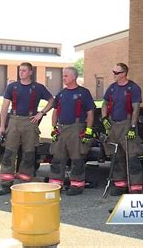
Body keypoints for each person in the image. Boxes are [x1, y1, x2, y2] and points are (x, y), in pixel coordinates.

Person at [0, 62, 54, 196]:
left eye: (24, 70)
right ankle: (6, 184)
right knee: (9, 153)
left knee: (28, 154)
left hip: (30, 122)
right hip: (14, 121)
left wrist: (41, 113)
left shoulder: (38, 88)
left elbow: (52, 101)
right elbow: (4, 107)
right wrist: (2, 126)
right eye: (20, 70)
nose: (20, 73)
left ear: (30, 72)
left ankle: (25, 183)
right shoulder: (12, 87)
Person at [49, 67, 95, 196]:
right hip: (61, 129)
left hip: (76, 128)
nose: (63, 78)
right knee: (58, 156)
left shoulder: (84, 93)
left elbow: (90, 113)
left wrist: (88, 131)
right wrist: (54, 128)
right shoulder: (61, 93)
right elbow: (55, 111)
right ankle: (55, 184)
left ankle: (77, 185)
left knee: (77, 157)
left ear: (74, 77)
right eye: (63, 76)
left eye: (66, 76)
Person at [101, 63, 143, 195]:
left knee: (132, 157)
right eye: (113, 71)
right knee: (116, 156)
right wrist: (104, 118)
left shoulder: (133, 88)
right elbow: (104, 103)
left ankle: (135, 187)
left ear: (124, 74)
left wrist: (133, 127)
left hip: (127, 123)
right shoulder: (112, 88)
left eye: (116, 72)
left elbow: (136, 108)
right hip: (113, 124)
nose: (113, 74)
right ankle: (120, 185)